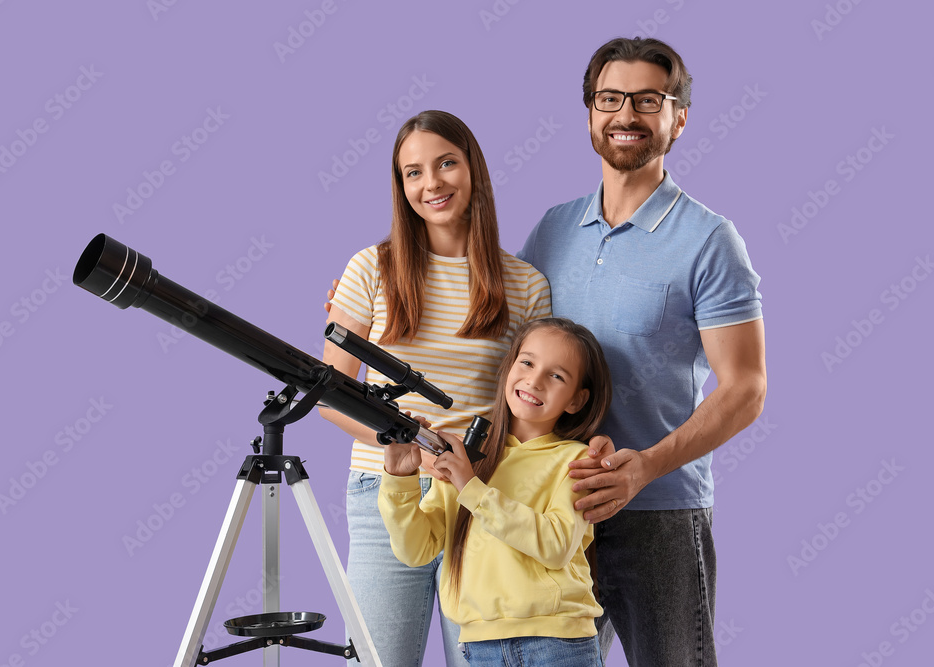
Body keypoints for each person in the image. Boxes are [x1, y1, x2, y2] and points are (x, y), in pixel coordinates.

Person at [518, 37, 768, 666]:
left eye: (647, 100)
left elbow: (745, 389)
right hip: (551, 510)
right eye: (609, 98)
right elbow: (499, 336)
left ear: (678, 117)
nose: (625, 115)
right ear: (589, 112)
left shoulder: (710, 240)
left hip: (657, 515)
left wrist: (643, 469)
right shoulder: (552, 228)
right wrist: (376, 292)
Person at [319, 109, 552, 667]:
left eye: (446, 163)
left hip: (479, 498)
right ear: (401, 187)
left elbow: (530, 410)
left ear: (472, 168)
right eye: (413, 172)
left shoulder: (525, 285)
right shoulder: (371, 268)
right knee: (380, 660)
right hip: (384, 492)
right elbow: (329, 392)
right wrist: (400, 445)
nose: (432, 184)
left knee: (481, 658)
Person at [378, 317, 611, 667]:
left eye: (556, 375)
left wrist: (470, 487)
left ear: (577, 400)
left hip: (556, 643)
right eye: (528, 362)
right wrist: (400, 481)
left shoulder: (576, 461)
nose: (534, 380)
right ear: (509, 367)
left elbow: (556, 545)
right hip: (479, 645)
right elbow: (416, 550)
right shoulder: (466, 459)